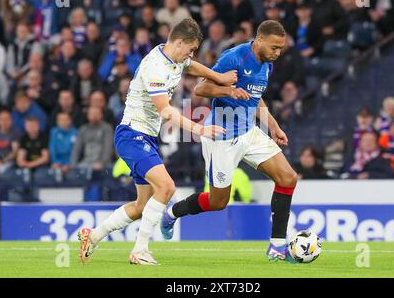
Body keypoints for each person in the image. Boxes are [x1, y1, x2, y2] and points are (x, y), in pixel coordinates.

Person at [78, 18, 237, 265]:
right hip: (132, 134)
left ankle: (94, 235)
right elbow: (165, 111)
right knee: (167, 187)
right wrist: (199, 129)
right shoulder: (155, 66)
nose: (191, 54)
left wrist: (219, 77)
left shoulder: (173, 57)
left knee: (143, 205)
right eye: (191, 48)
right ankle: (140, 250)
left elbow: (191, 66)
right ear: (179, 42)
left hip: (146, 137)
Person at [161, 20, 299, 263]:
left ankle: (277, 245)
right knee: (218, 202)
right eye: (274, 47)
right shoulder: (234, 57)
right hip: (222, 137)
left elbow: (255, 97)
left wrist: (273, 127)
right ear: (259, 40)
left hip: (249, 132)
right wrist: (228, 90)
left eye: (281, 49)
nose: (278, 53)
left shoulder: (267, 64)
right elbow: (201, 89)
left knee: (288, 178)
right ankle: (172, 212)